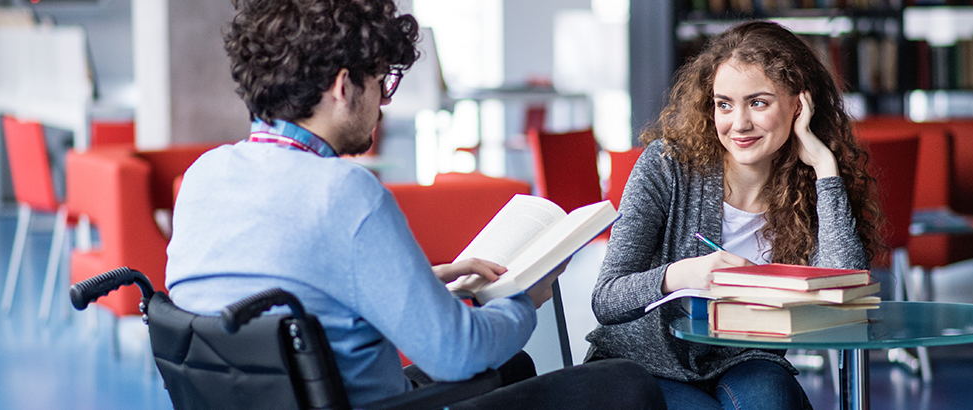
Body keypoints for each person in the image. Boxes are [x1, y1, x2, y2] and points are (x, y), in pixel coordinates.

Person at [165, 0, 666, 409]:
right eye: (382, 82)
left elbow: (296, 288)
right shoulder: (345, 192)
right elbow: (458, 353)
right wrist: (522, 300)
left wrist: (423, 282)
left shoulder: (204, 175)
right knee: (624, 382)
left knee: (514, 371)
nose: (383, 102)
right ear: (344, 87)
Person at [584, 20, 884, 410]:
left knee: (771, 400)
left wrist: (825, 169)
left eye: (758, 102)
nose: (738, 123)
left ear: (798, 104)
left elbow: (843, 297)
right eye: (724, 104)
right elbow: (606, 299)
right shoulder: (665, 167)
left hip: (746, 358)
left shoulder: (810, 186)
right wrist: (681, 276)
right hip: (643, 364)